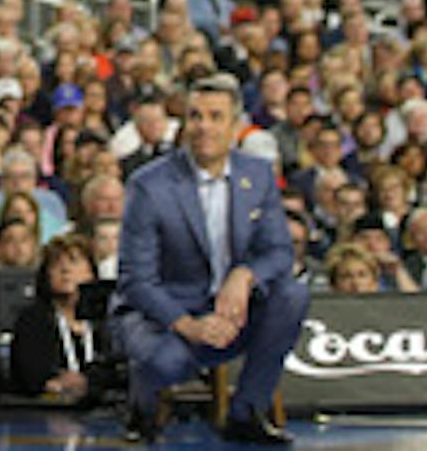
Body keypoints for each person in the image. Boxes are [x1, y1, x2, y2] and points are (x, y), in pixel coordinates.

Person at [111, 74, 307, 445]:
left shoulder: (258, 174)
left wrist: (245, 275)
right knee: (164, 363)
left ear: (235, 126)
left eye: (216, 117)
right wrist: (189, 325)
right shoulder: (148, 184)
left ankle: (246, 412)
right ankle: (142, 405)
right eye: (196, 116)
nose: (204, 127)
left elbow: (280, 252)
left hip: (233, 310)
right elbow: (136, 281)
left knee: (291, 295)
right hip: (167, 312)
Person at [7, 233, 121, 406]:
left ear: (91, 271)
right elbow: (31, 376)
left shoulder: (107, 318)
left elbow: (118, 370)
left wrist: (88, 382)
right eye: (56, 264)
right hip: (49, 411)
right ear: (46, 275)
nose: (65, 270)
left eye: (74, 261)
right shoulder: (33, 320)